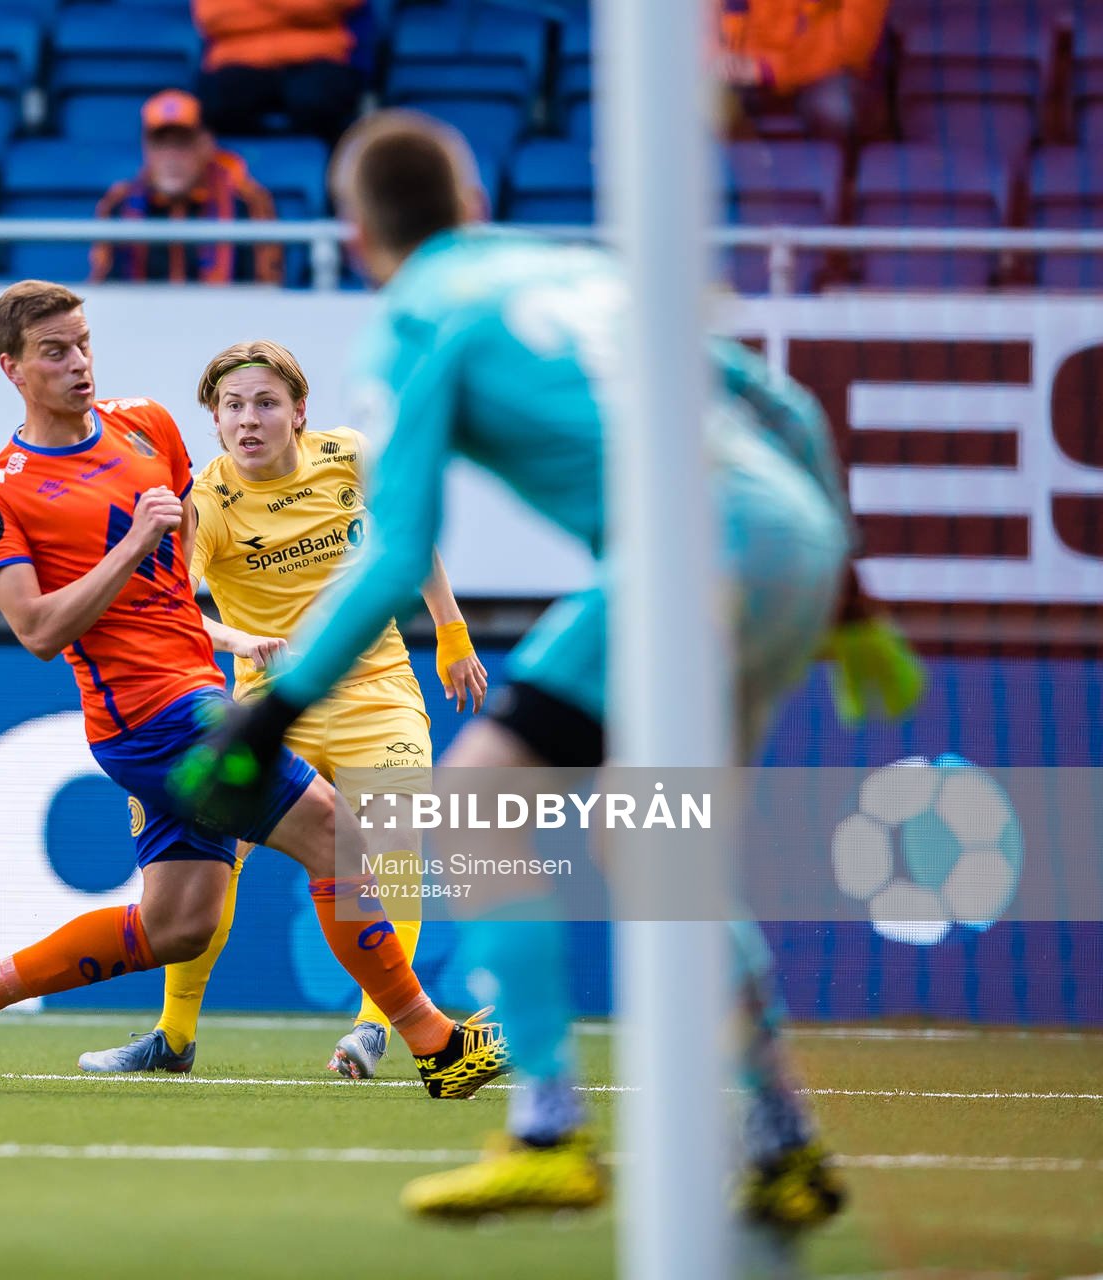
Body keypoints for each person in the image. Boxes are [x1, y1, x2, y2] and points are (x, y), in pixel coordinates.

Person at [169, 112, 922, 1226]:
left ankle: (548, 1128)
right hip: (793, 541)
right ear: (473, 205)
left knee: (478, 796)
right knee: (660, 848)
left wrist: (275, 705)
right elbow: (789, 405)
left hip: (683, 554)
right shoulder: (579, 272)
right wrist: (848, 592)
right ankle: (783, 1144)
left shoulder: (423, 313)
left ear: (360, 234)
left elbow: (397, 550)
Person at [0, 279, 508, 1101]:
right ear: (12, 368)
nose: (78, 362)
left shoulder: (145, 424)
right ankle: (436, 1045)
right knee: (341, 835)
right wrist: (132, 546)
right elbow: (40, 631)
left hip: (192, 698)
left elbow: (177, 573)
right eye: (54, 352)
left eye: (82, 342)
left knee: (175, 924)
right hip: (151, 716)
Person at [76, 339, 490, 1080]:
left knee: (393, 851)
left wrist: (452, 634)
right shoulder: (204, 501)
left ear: (300, 412)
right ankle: (172, 1038)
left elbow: (409, 536)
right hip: (271, 706)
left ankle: (374, 1029)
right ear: (214, 422)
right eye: (232, 407)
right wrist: (240, 637)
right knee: (209, 864)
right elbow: (170, 608)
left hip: (377, 690)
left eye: (266, 403)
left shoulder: (349, 457)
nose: (249, 419)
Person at [90, 90, 284, 287]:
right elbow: (104, 288)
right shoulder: (120, 204)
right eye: (161, 145)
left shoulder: (246, 202)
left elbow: (266, 290)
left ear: (206, 144)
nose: (171, 158)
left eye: (182, 144)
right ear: (146, 148)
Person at [193, 0, 366, 145]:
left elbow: (329, 4)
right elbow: (213, 15)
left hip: (318, 57)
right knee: (215, 101)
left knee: (318, 100)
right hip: (238, 61)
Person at [716, 0, 888, 138]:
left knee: (837, 110)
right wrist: (726, 59)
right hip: (752, 72)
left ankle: (841, 178)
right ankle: (757, 174)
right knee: (707, 101)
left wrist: (771, 68)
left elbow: (852, 43)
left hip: (827, 74)